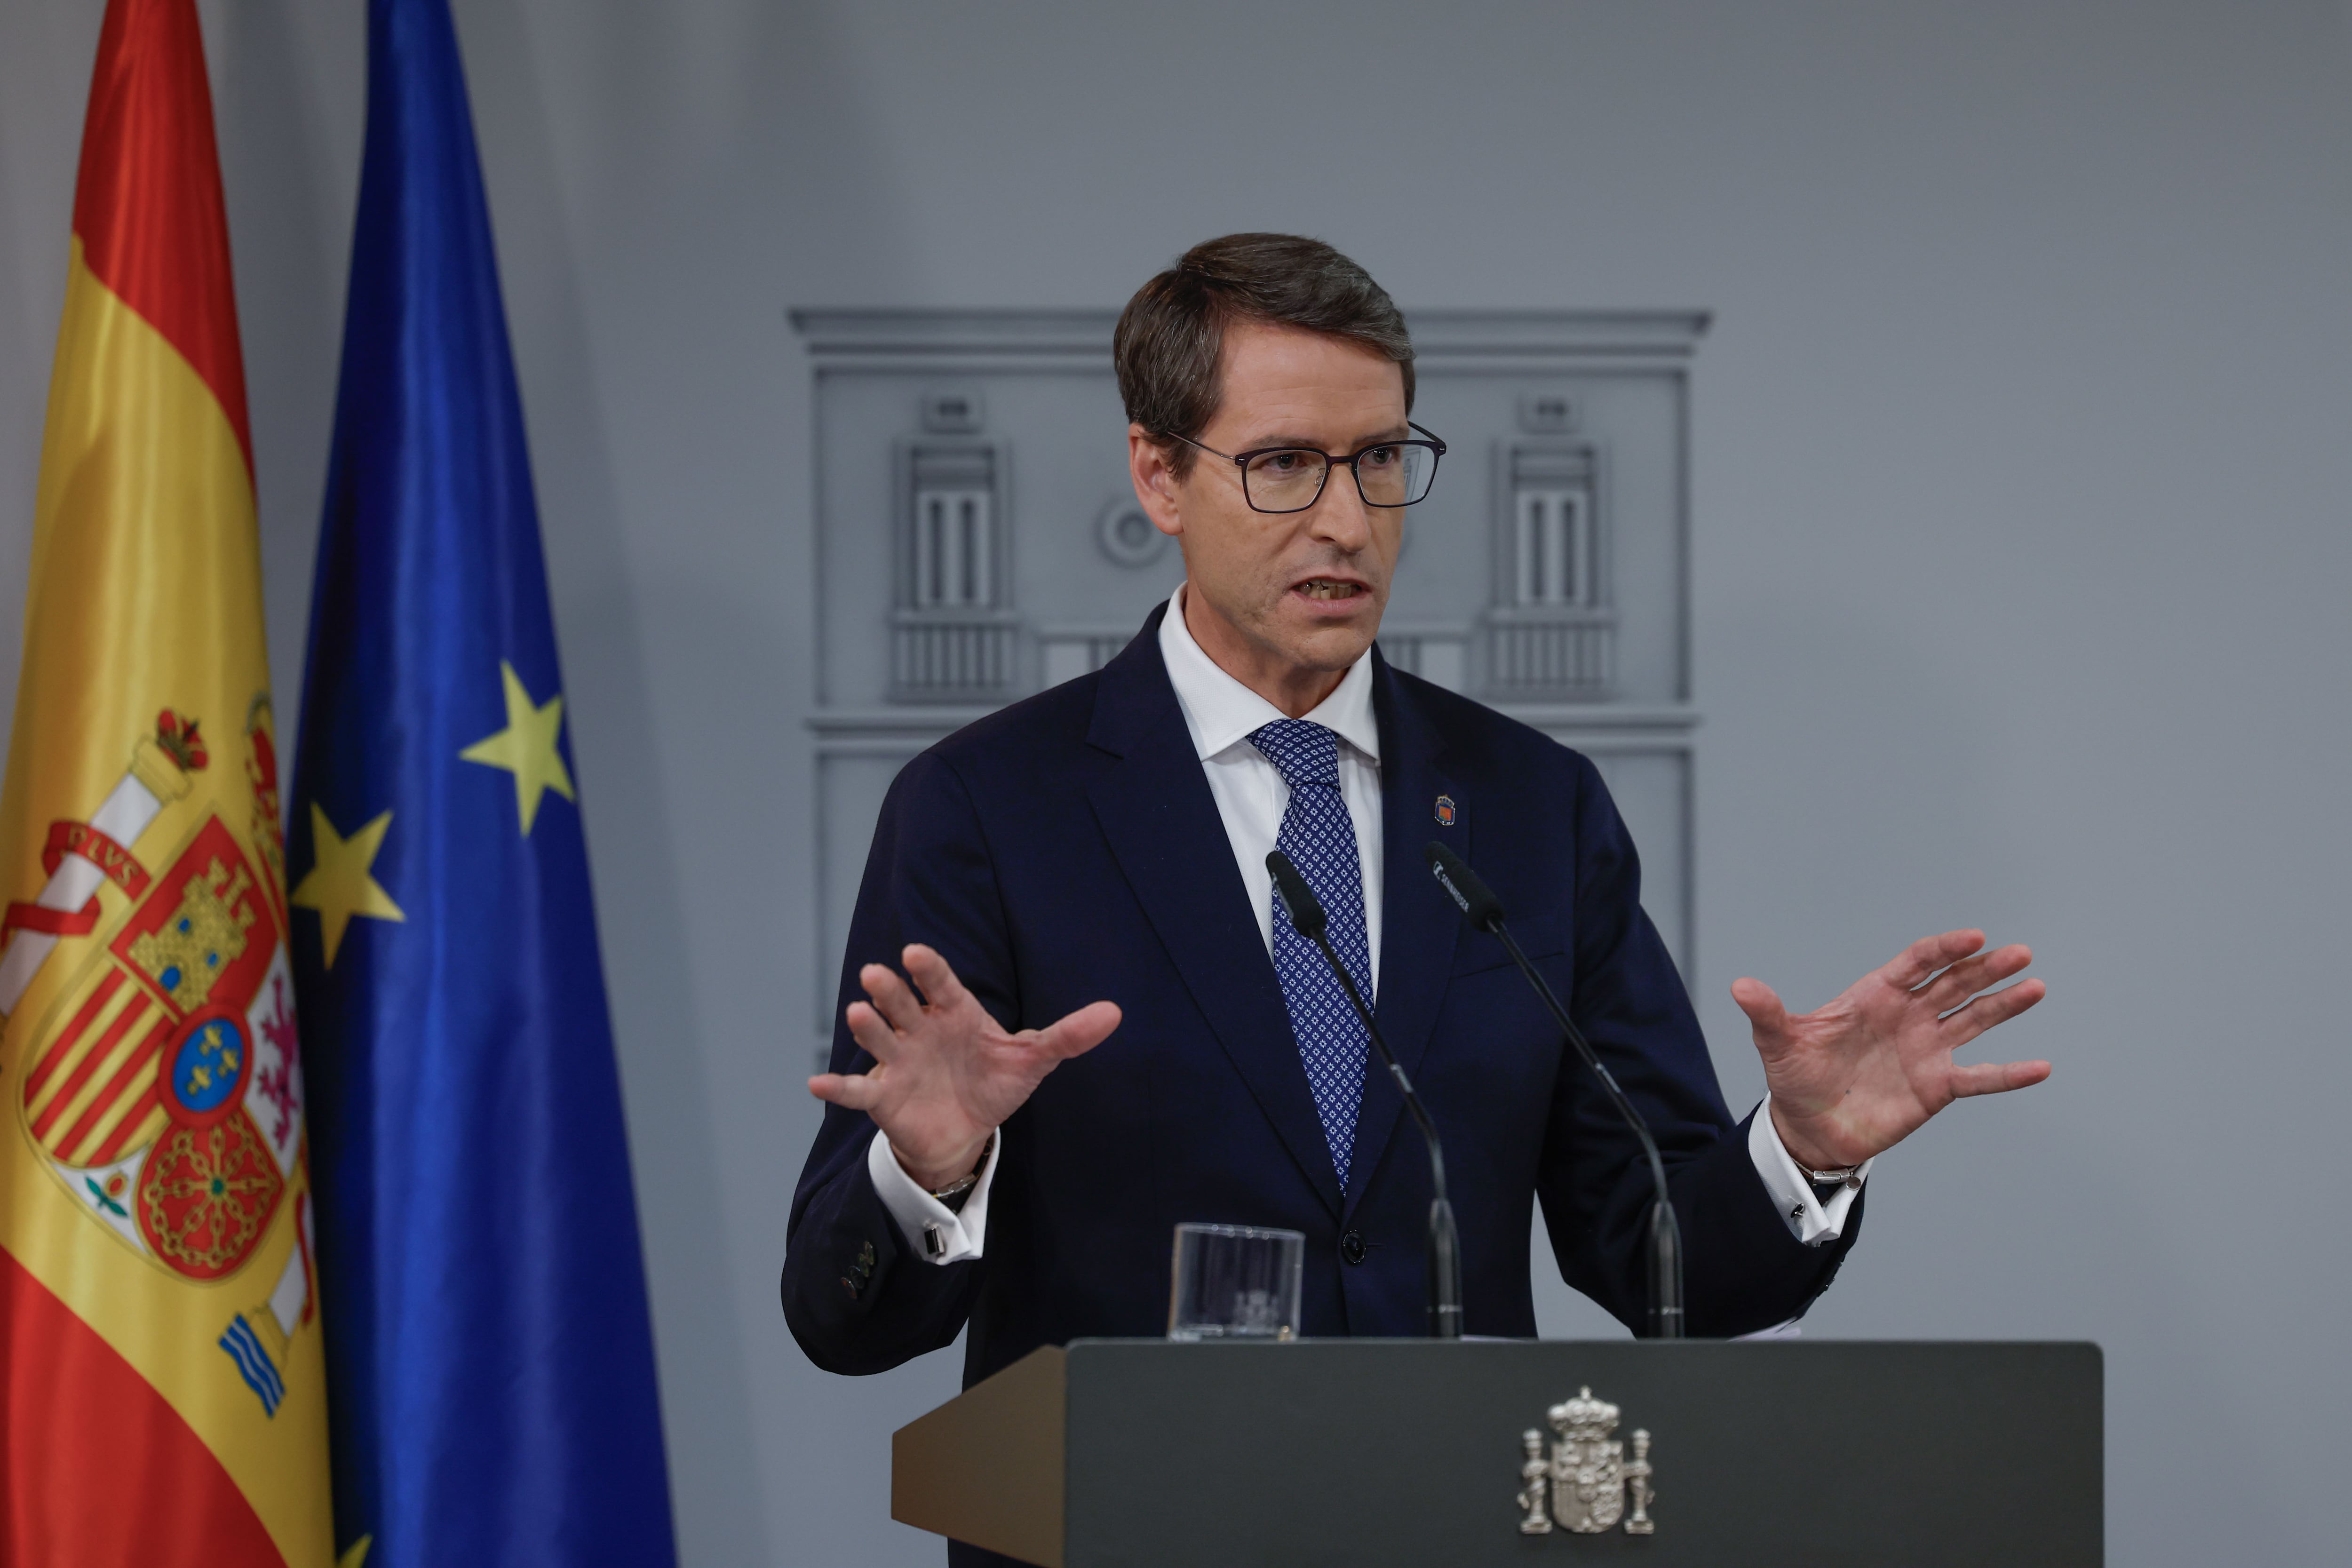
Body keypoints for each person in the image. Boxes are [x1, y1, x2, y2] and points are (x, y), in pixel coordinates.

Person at [781, 231, 2048, 1462]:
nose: (1346, 521)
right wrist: (929, 1172)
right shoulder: (993, 808)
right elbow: (844, 1318)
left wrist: (1803, 1151)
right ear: (1158, 475)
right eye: (1282, 464)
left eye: (1379, 459)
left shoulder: (1531, 807)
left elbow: (1666, 1266)